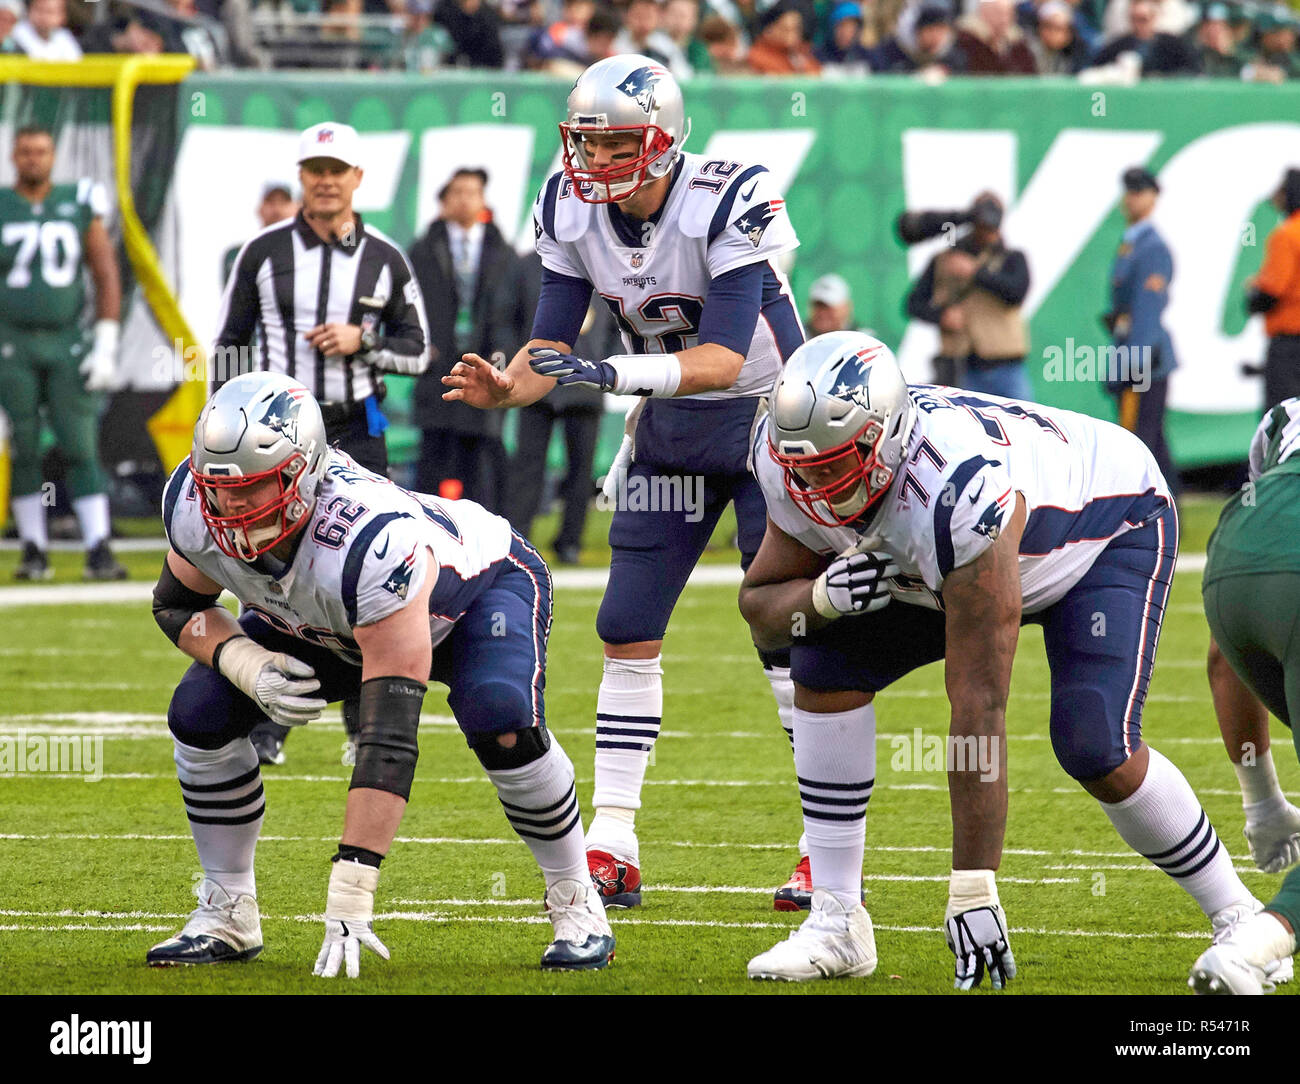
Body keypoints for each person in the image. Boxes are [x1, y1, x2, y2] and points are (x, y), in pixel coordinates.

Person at [738, 331, 1285, 985]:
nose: (820, 483)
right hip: (955, 557)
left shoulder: (957, 491)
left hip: (1105, 527)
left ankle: (1236, 914)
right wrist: (822, 596)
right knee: (824, 662)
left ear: (884, 436)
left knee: (1093, 742)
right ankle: (835, 920)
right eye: (807, 466)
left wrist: (973, 884)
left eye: (836, 463)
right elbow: (765, 611)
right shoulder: (786, 459)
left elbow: (979, 705)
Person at [442, 54, 814, 911]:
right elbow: (548, 346)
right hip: (671, 423)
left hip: (774, 422)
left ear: (663, 141)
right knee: (625, 623)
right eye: (587, 143)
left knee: (788, 635)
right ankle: (612, 838)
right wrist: (510, 382)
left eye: (616, 146)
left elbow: (723, 357)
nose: (596, 163)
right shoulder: (569, 204)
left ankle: (817, 846)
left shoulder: (728, 194)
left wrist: (609, 375)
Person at [145, 371, 614, 975]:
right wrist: (244, 661)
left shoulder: (371, 540)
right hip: (328, 620)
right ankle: (228, 909)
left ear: (300, 474)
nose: (229, 508)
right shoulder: (193, 502)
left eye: (252, 490)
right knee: (200, 713)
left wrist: (354, 881)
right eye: (218, 488)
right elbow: (178, 605)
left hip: (469, 595)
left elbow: (389, 736)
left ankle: (576, 898)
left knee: (501, 718)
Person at [213, 120, 430, 767]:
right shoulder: (262, 251)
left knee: (364, 575)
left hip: (354, 430)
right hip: (274, 442)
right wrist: (222, 427)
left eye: (337, 170)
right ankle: (273, 714)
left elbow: (420, 354)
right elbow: (230, 342)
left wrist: (362, 342)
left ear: (358, 179)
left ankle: (365, 725)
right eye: (315, 169)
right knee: (272, 575)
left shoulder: (386, 257)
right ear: (302, 175)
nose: (326, 181)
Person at [1191, 398, 1300, 994]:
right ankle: (1250, 949)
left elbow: (1221, 661)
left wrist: (1264, 805)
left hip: (1233, 555)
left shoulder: (1284, 415)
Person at [0, 125, 126, 582]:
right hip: (11, 342)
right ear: (15, 157)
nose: (33, 159)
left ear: (53, 156)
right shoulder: (4, 203)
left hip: (66, 338)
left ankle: (98, 545)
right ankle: (33, 548)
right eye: (26, 151)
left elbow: (105, 272)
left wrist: (107, 340)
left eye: (41, 151)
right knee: (25, 445)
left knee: (80, 444)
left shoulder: (78, 202)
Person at [408, 168, 516, 512]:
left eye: (472, 191)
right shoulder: (424, 251)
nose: (465, 198)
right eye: (457, 192)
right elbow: (407, 301)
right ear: (444, 201)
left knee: (480, 455)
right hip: (437, 369)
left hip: (483, 367)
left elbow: (512, 311)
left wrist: (501, 355)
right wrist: (422, 344)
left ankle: (482, 537)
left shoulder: (503, 252)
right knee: (434, 453)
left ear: (483, 199)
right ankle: (426, 527)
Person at [905, 192, 1033, 401]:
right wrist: (941, 315)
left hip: (1007, 367)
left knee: (1024, 426)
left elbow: (1016, 293)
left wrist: (975, 272)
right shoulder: (945, 260)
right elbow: (913, 304)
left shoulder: (1012, 258)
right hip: (963, 368)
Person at [1103, 166, 1179, 498]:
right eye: (1128, 191)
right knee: (1150, 438)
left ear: (1152, 196)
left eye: (1138, 191)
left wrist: (1133, 361)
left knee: (1141, 439)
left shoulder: (1151, 247)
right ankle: (1167, 504)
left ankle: (1156, 507)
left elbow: (1147, 309)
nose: (1130, 198)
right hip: (1134, 348)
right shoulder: (1131, 242)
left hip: (1145, 357)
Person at [1247, 167, 1300, 410]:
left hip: (1290, 344)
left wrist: (1254, 291)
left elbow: (1271, 293)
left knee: (1283, 416)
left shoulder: (1287, 234)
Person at [1087, 0, 1200, 76]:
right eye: (1135, 19)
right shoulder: (1117, 46)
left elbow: (1193, 72)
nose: (1140, 24)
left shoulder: (1174, 46)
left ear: (1154, 17)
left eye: (1144, 19)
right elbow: (1093, 72)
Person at [220, 181, 298, 287]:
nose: (277, 210)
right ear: (259, 209)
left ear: (297, 208)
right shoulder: (239, 254)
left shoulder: (309, 255)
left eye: (283, 203)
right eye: (271, 203)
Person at [869, 4, 968, 74]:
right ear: (918, 32)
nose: (936, 36)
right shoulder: (894, 52)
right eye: (931, 30)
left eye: (941, 30)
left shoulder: (955, 57)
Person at [954, 0, 1037, 74]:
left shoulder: (1019, 44)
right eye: (998, 13)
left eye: (1008, 14)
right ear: (983, 13)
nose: (1003, 19)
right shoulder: (966, 41)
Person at [12, 0, 81, 59]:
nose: (43, 16)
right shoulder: (15, 33)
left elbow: (76, 64)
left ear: (63, 16)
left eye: (50, 12)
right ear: (29, 9)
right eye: (39, 9)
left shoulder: (63, 36)